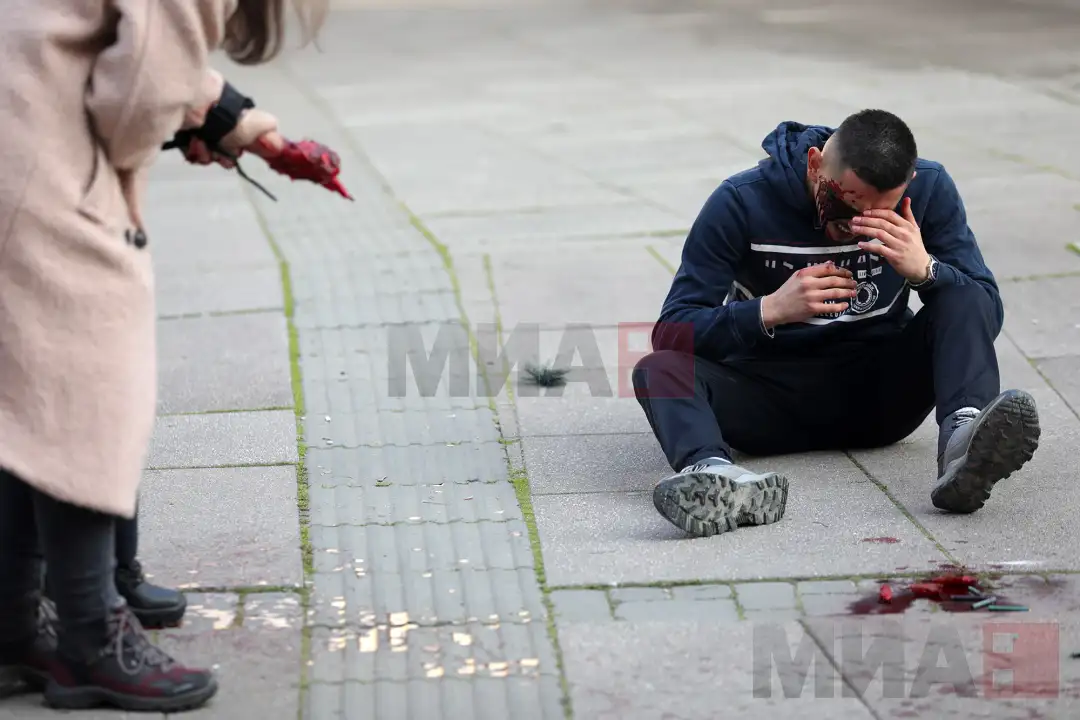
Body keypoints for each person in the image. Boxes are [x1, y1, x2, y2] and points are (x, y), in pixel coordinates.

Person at [0, 0, 326, 712]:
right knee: (84, 391)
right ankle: (91, 636)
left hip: (16, 114)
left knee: (25, 392)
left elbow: (99, 34)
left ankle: (13, 626)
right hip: (36, 156)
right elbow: (137, 102)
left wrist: (233, 122)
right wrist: (161, 122)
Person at [633, 109, 1041, 539]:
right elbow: (673, 330)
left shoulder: (930, 189)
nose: (853, 227)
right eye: (845, 206)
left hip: (882, 398)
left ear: (908, 185)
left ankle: (962, 446)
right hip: (768, 397)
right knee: (657, 368)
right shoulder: (741, 201)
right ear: (815, 164)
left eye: (879, 216)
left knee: (965, 291)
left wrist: (927, 271)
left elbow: (984, 310)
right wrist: (769, 310)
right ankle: (716, 478)